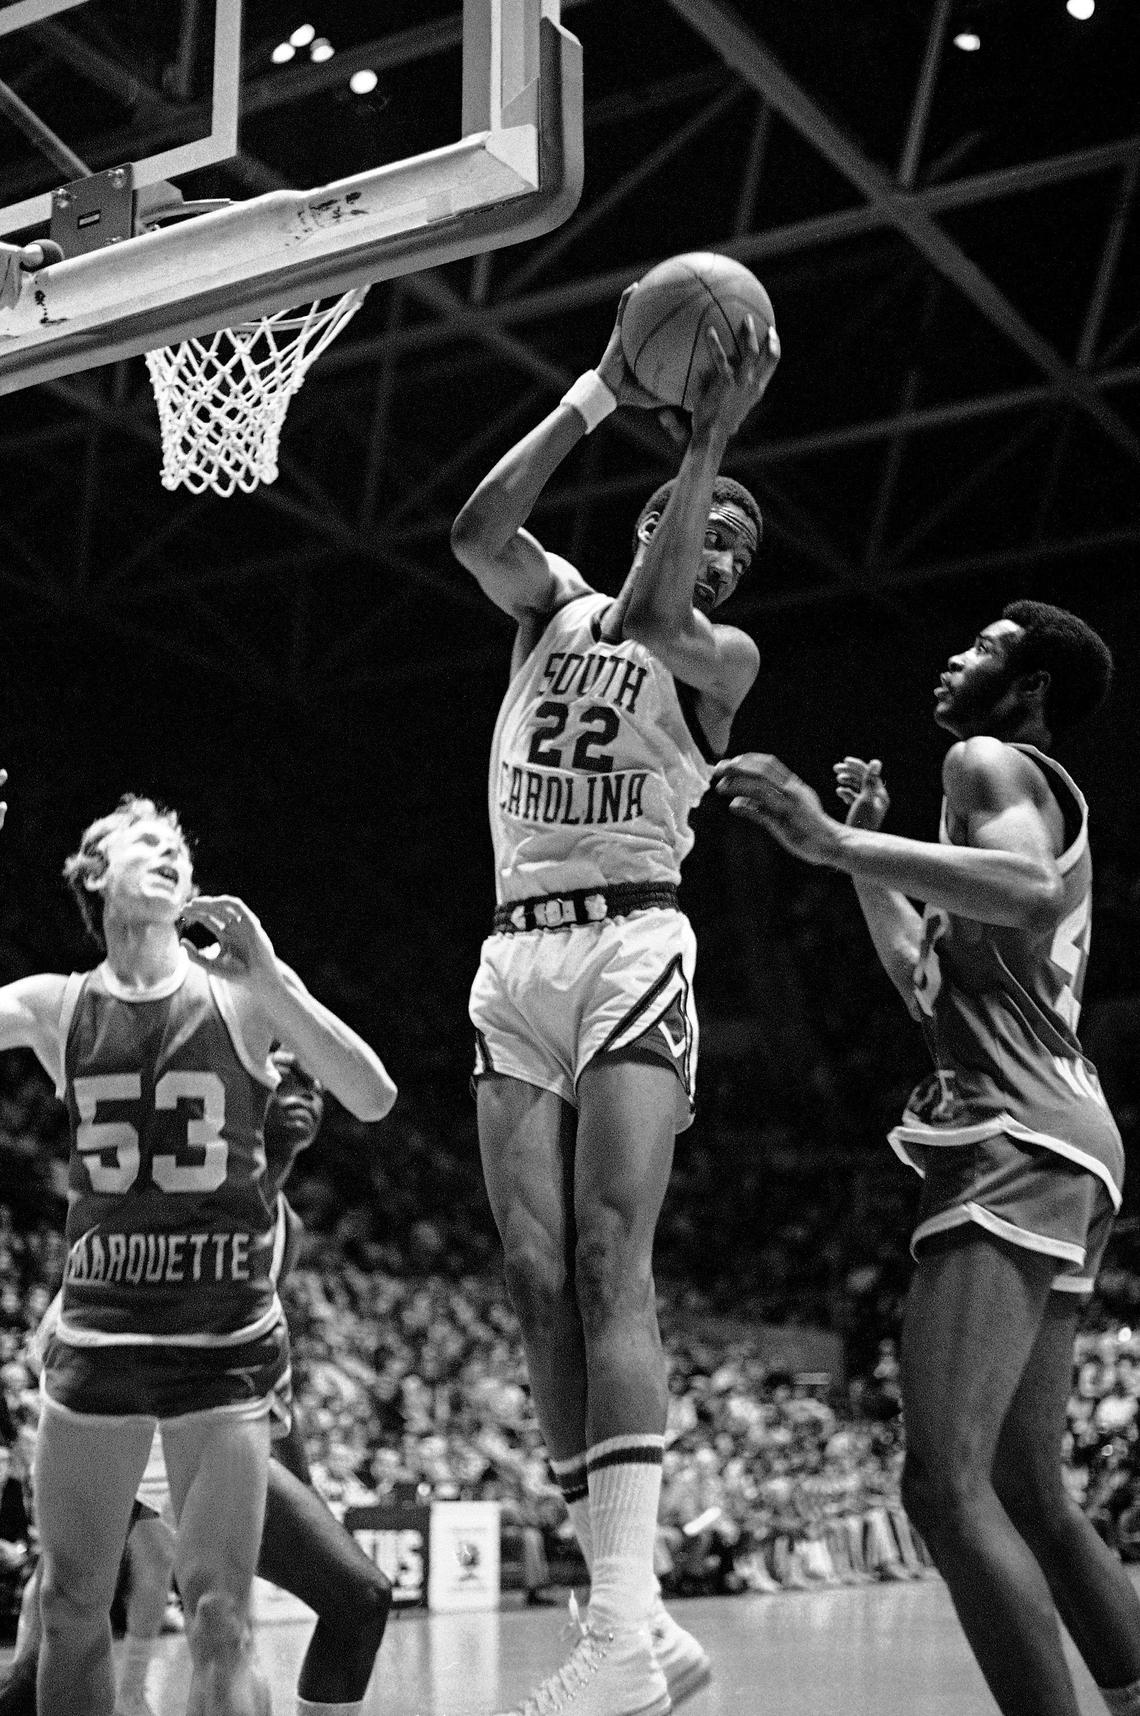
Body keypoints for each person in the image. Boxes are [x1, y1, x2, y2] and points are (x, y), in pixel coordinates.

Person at [713, 601, 1140, 1716]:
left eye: (988, 646)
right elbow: (921, 979)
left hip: (1017, 1135)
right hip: (1070, 1135)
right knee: (1025, 1488)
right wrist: (869, 857)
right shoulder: (986, 814)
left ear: (1032, 685)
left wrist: (833, 839)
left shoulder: (991, 759)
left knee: (943, 1489)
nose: (954, 653)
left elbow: (1033, 887)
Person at [450, 288, 779, 1716]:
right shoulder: (554, 604)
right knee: (531, 1283)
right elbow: (470, 532)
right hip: (515, 952)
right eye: (704, 522)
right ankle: (634, 1629)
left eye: (737, 548)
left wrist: (708, 444)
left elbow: (655, 615)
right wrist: (595, 389)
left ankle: (622, 1635)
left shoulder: (720, 655)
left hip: (633, 943)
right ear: (654, 511)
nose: (716, 549)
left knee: (603, 1255)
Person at [0, 792, 396, 1716]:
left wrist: (276, 978)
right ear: (94, 875)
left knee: (222, 1618)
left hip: (220, 1357)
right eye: (147, 840)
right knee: (69, 1610)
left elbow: (371, 1097)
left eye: (182, 843)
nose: (172, 852)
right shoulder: (59, 1004)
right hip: (97, 1346)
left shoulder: (242, 996)